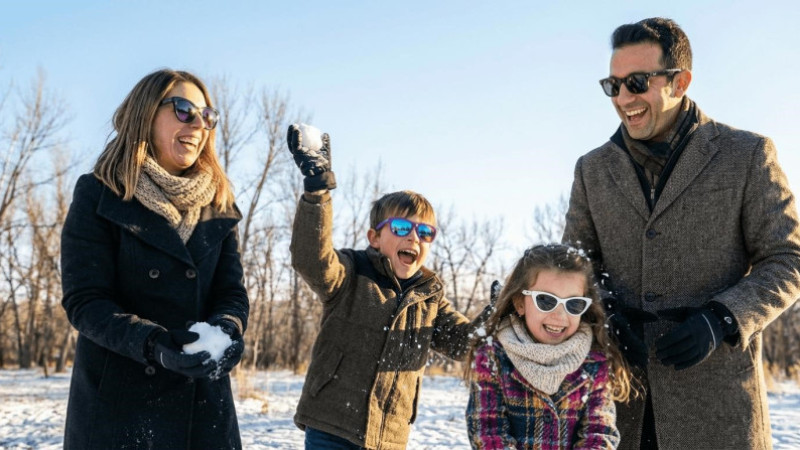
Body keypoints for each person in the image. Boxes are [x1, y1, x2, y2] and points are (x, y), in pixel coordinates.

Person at [562, 17, 800, 449]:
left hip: (719, 411)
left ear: (681, 80)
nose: (623, 98)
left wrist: (722, 319)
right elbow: (576, 265)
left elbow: (788, 259)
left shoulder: (747, 154)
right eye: (612, 85)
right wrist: (607, 314)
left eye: (636, 82)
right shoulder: (591, 169)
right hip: (618, 411)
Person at [60, 69, 249, 449]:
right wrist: (154, 345)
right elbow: (85, 301)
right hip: (120, 410)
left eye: (207, 116)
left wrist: (228, 330)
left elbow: (232, 293)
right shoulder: (99, 195)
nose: (199, 123)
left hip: (203, 411)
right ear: (145, 114)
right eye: (184, 110)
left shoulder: (220, 206)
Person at [286, 123, 492, 449]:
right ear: (375, 238)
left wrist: (496, 315)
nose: (413, 237)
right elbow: (311, 258)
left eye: (424, 233)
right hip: (332, 426)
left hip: (390, 436)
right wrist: (317, 192)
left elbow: (464, 344)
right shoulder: (351, 273)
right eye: (400, 227)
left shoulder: (429, 296)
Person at [465, 244, 631, 449]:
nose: (560, 315)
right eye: (545, 300)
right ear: (520, 303)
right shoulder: (492, 356)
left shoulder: (595, 362)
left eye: (574, 304)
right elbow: (488, 434)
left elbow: (598, 433)